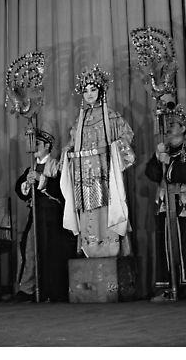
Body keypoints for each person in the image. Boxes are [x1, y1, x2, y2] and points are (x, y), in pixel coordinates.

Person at [60, 65, 135, 257]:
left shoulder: (111, 116)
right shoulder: (80, 120)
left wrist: (115, 148)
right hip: (84, 176)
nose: (89, 94)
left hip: (105, 172)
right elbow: (72, 143)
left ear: (101, 90)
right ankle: (90, 250)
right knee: (88, 211)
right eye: (85, 91)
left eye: (93, 89)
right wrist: (67, 152)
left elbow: (126, 136)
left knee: (108, 208)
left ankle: (112, 248)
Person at [145, 103, 186, 302]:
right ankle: (169, 288)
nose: (169, 126)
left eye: (173, 123)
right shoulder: (163, 149)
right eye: (167, 123)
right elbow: (151, 174)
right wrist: (158, 159)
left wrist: (170, 164)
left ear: (183, 128)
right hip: (165, 203)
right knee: (166, 243)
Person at [14, 129, 77, 302]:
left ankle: (53, 289)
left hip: (53, 216)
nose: (34, 147)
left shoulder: (56, 166)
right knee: (30, 249)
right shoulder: (30, 167)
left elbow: (61, 189)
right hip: (36, 214)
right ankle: (28, 288)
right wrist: (27, 183)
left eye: (37, 144)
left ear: (47, 146)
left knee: (52, 252)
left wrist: (42, 180)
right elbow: (21, 190)